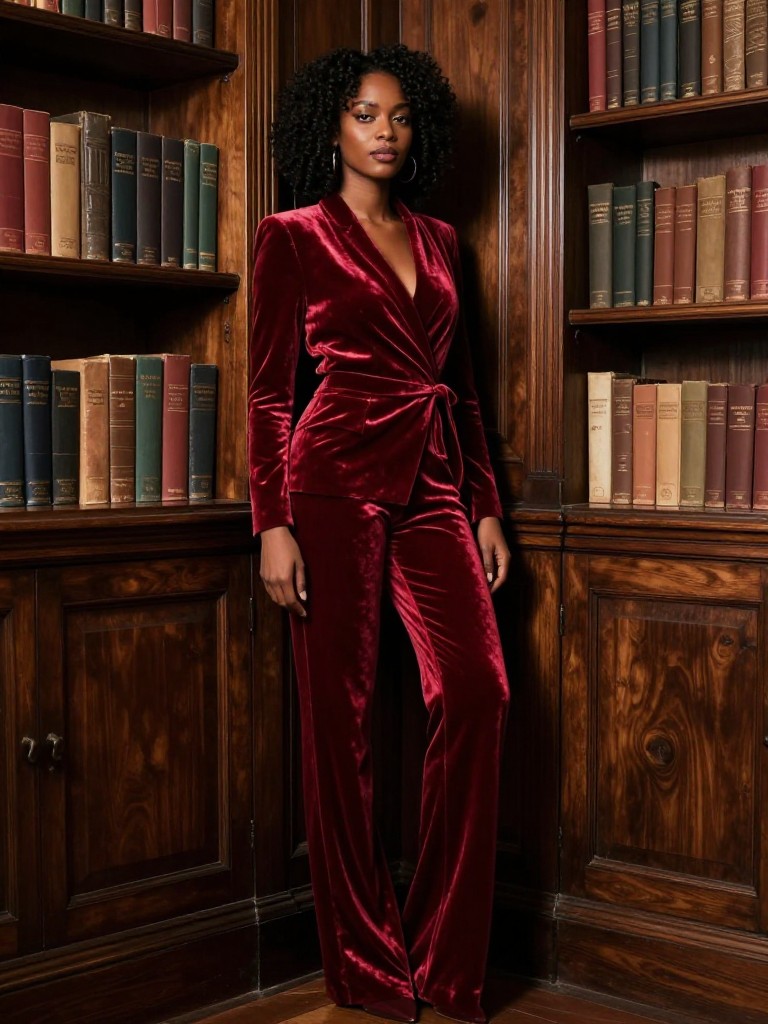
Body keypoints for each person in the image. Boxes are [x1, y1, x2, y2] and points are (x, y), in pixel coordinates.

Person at [248, 43, 510, 1024]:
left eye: (399, 116)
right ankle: (364, 959)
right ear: (331, 128)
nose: (385, 131)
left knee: (479, 691)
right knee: (341, 725)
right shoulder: (293, 236)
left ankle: (448, 960)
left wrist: (483, 501)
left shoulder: (444, 242)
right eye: (366, 114)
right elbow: (271, 396)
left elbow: (468, 393)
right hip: (332, 489)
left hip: (436, 487)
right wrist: (272, 522)